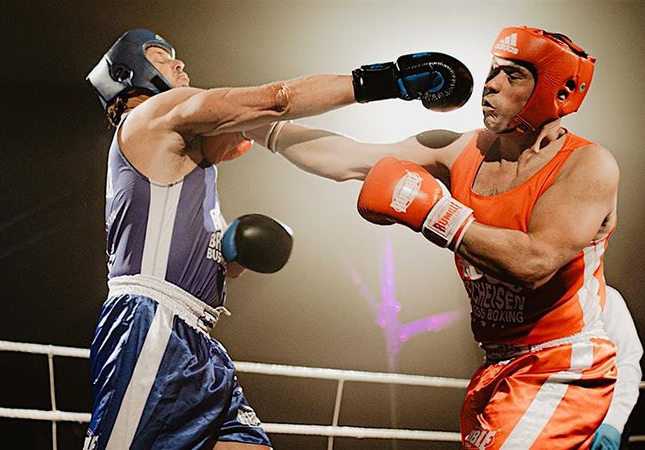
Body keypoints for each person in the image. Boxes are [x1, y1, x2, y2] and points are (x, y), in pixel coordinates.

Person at [83, 28, 471, 449]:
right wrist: (388, 79)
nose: (178, 62)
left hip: (196, 339)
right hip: (150, 327)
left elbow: (339, 158)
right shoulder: (152, 114)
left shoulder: (185, 154)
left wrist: (444, 155)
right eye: (161, 56)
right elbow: (277, 99)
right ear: (129, 75)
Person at [247, 26, 616, 449]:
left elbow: (534, 263)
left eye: (513, 75)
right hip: (497, 364)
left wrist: (435, 213)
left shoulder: (587, 165)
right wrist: (248, 124)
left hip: (562, 363)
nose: (491, 84)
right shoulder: (459, 150)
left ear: (558, 90)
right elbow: (346, 160)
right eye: (493, 70)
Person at [593, 286, 643, 450]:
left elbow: (627, 362)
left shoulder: (605, 297)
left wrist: (613, 422)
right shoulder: (534, 302)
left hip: (599, 422)